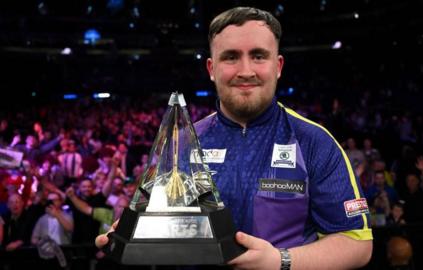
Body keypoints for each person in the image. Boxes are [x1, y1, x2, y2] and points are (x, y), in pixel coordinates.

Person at [96, 6, 372, 269]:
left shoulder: (314, 141)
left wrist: (280, 261)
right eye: (230, 57)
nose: (245, 71)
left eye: (258, 56)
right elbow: (169, 221)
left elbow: (356, 244)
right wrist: (134, 229)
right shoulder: (184, 143)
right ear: (211, 69)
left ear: (278, 66)